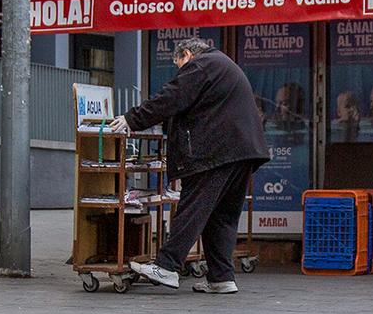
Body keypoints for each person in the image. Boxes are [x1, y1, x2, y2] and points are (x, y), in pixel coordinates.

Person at [106, 37, 267, 293]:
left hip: (217, 151)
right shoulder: (222, 65)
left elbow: (172, 97)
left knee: (193, 207)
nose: (180, 71)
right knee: (221, 216)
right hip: (243, 151)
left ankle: (167, 266)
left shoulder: (202, 65)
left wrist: (131, 119)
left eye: (179, 64)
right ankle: (221, 277)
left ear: (188, 54)